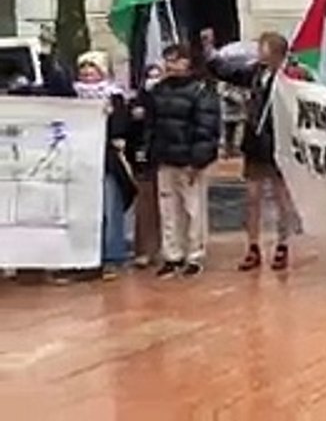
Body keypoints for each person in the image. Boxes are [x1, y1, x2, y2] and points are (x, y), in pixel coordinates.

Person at [207, 32, 305, 273]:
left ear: (276, 52)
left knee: (282, 199)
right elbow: (227, 72)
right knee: (252, 198)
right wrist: (210, 53)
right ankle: (253, 247)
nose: (259, 52)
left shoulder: (293, 76)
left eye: (263, 48)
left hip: (280, 144)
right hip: (256, 144)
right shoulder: (254, 73)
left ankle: (283, 245)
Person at [58, 51, 132, 283]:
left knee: (109, 208)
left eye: (93, 70)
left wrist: (107, 117)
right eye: (84, 70)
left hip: (106, 161)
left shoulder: (114, 97)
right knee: (82, 211)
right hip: (78, 161)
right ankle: (82, 259)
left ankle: (111, 257)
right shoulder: (72, 97)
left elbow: (121, 127)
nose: (88, 74)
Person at [149, 43, 222, 278]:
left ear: (188, 63)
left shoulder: (201, 91)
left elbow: (207, 128)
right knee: (169, 209)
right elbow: (152, 125)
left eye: (176, 60)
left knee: (193, 209)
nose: (171, 65)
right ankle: (172, 254)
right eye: (168, 60)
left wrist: (198, 160)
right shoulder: (158, 90)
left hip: (190, 160)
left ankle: (195, 254)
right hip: (166, 157)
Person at [129, 64, 162, 268]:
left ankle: (164, 248)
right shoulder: (136, 103)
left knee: (167, 206)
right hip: (143, 157)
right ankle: (144, 249)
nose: (153, 80)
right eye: (150, 76)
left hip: (166, 154)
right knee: (145, 205)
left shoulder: (168, 99)